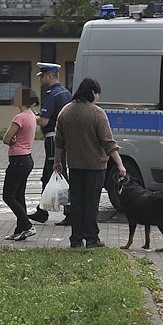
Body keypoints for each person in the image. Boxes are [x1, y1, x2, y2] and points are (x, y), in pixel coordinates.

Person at [53, 78, 126, 248]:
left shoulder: (65, 111)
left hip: (75, 165)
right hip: (95, 167)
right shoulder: (97, 113)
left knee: (77, 202)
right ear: (93, 93)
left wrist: (57, 161)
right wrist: (120, 165)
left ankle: (76, 238)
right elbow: (108, 142)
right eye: (97, 94)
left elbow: (59, 141)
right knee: (91, 202)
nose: (98, 97)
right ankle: (91, 238)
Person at [29, 62, 73, 225]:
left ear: (49, 76)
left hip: (53, 139)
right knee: (49, 174)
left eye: (42, 77)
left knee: (58, 172)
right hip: (63, 138)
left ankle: (70, 212)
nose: (41, 80)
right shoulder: (66, 93)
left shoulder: (52, 94)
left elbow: (44, 120)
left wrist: (30, 115)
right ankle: (42, 211)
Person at [2, 88, 39, 241]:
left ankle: (27, 225)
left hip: (17, 160)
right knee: (19, 196)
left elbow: (5, 138)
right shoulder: (31, 116)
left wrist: (11, 140)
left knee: (8, 196)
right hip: (27, 159)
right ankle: (20, 230)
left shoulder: (20, 117)